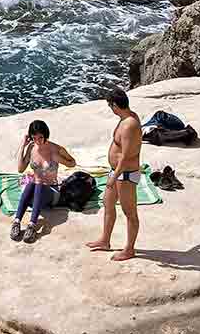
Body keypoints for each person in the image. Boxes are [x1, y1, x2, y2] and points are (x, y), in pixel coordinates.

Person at [87, 87, 143, 261]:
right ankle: (105, 240)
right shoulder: (126, 118)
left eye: (110, 105)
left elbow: (126, 156)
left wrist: (114, 176)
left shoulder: (129, 125)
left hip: (125, 174)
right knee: (108, 204)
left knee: (130, 213)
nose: (110, 109)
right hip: (117, 172)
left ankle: (129, 249)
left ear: (114, 105)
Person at [10, 119, 75, 243]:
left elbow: (73, 163)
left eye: (40, 137)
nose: (37, 141)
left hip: (51, 191)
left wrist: (59, 159)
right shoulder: (31, 147)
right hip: (32, 194)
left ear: (46, 135)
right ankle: (16, 222)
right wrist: (23, 146)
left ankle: (32, 225)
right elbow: (20, 169)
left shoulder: (56, 149)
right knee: (33, 181)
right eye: (34, 138)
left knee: (37, 181)